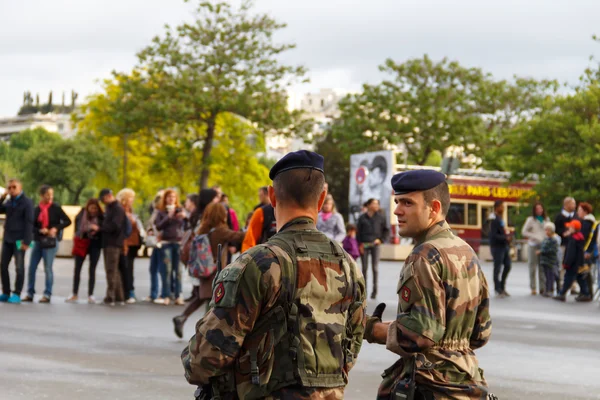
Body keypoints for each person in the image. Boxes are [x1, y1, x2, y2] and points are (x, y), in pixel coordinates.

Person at [182, 150, 366, 399]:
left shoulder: (260, 262)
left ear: (271, 196)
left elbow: (206, 358)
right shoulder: (348, 264)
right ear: (321, 199)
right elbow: (351, 345)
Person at [364, 169, 491, 399]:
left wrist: (370, 328)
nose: (397, 211)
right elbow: (481, 333)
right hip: (467, 382)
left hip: (432, 386)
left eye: (407, 203)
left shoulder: (424, 255)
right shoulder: (466, 251)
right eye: (397, 202)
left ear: (433, 208)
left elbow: (419, 334)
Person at [173, 202, 245, 338]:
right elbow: (239, 236)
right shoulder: (220, 230)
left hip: (204, 268)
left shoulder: (203, 228)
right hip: (214, 270)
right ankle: (205, 332)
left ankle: (183, 318)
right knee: (213, 301)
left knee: (202, 297)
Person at [24, 185, 71, 303]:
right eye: (47, 195)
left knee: (48, 268)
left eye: (51, 195)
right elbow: (31, 226)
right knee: (32, 267)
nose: (50, 197)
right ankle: (30, 292)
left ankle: (47, 293)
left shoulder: (56, 208)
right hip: (38, 240)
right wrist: (40, 230)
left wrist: (55, 228)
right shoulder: (36, 209)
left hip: (50, 241)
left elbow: (67, 221)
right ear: (41, 195)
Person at [0, 179, 34, 304]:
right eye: (9, 187)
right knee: (3, 265)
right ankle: (6, 292)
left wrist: (27, 241)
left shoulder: (27, 202)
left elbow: (29, 222)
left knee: (19, 267)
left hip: (20, 239)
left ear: (20, 187)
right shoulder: (9, 201)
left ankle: (17, 293)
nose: (12, 189)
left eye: (14, 187)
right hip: (8, 238)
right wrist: (3, 196)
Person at [66, 198, 104, 304]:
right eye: (91, 208)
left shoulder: (101, 217)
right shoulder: (82, 214)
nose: (93, 210)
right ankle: (74, 293)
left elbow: (105, 229)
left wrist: (98, 229)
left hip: (95, 243)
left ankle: (90, 294)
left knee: (92, 269)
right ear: (87, 207)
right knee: (77, 268)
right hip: (82, 241)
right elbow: (76, 226)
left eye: (95, 208)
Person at [96, 188, 127, 306]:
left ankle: (111, 296)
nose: (103, 202)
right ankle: (119, 296)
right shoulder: (110, 208)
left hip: (113, 242)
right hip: (109, 242)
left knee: (111, 270)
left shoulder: (117, 208)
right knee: (115, 271)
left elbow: (116, 225)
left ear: (109, 196)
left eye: (103, 199)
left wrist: (100, 228)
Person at [155, 189, 186, 305]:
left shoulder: (180, 210)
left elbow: (186, 225)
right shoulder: (161, 212)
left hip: (178, 243)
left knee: (178, 271)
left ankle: (178, 295)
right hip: (166, 243)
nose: (171, 199)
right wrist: (169, 216)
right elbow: (158, 226)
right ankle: (166, 295)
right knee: (166, 271)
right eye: (169, 197)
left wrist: (184, 217)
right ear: (165, 199)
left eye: (173, 196)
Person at [357, 198, 389, 299]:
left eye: (377, 204)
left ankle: (374, 291)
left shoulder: (381, 217)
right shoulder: (362, 217)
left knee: (375, 268)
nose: (376, 206)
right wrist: (359, 245)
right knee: (364, 268)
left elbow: (386, 231)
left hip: (375, 244)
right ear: (369, 205)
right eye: (374, 203)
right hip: (364, 245)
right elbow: (358, 232)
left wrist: (381, 240)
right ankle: (364, 291)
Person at [117, 188, 145, 304]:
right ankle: (127, 292)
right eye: (130, 198)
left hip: (134, 243)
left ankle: (129, 290)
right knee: (126, 268)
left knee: (130, 268)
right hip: (126, 243)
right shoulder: (121, 211)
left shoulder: (131, 211)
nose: (132, 200)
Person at [553, 220, 592, 302]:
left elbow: (570, 253)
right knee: (580, 278)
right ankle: (585, 293)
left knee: (568, 279)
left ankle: (562, 293)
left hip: (572, 263)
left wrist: (566, 263)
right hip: (579, 262)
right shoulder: (579, 237)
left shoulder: (573, 239)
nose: (568, 229)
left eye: (570, 227)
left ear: (574, 229)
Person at [521, 202, 549, 295]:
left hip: (543, 245)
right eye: (537, 209)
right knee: (532, 266)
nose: (539, 211)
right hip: (533, 244)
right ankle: (533, 287)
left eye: (540, 209)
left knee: (542, 266)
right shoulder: (531, 220)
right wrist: (533, 236)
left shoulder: (546, 220)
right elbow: (524, 232)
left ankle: (542, 287)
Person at [144, 191, 166, 304]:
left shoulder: (165, 212)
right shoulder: (155, 212)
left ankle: (163, 294)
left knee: (162, 270)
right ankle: (153, 293)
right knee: (153, 269)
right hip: (156, 243)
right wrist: (150, 231)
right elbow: (151, 225)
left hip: (163, 243)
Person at [490, 200, 511, 298]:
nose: (503, 208)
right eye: (502, 207)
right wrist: (504, 237)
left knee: (508, 265)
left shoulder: (501, 218)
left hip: (504, 246)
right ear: (497, 207)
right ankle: (497, 288)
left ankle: (502, 286)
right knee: (497, 268)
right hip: (497, 247)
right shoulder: (494, 219)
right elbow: (493, 235)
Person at [554, 196, 576, 291]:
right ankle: (561, 284)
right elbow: (556, 229)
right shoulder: (559, 217)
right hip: (563, 244)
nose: (574, 206)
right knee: (562, 264)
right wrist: (564, 233)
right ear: (566, 205)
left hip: (573, 244)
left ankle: (573, 286)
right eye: (572, 204)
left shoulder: (575, 216)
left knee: (573, 265)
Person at [576, 202, 597, 297]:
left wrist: (587, 251)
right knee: (584, 271)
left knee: (584, 272)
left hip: (586, 250)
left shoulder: (587, 222)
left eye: (579, 210)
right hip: (586, 249)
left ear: (585, 211)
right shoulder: (588, 221)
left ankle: (587, 292)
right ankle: (586, 292)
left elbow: (585, 237)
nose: (578, 212)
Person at [538, 222, 560, 297]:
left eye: (548, 230)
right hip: (544, 261)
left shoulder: (554, 240)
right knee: (546, 276)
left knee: (551, 276)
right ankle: (547, 289)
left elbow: (553, 250)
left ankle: (550, 290)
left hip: (551, 261)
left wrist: (542, 251)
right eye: (546, 230)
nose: (546, 232)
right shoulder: (545, 239)